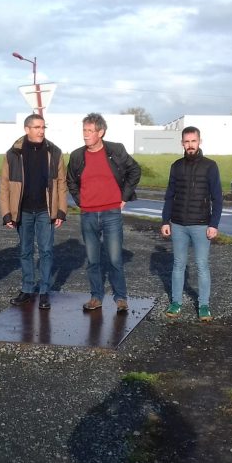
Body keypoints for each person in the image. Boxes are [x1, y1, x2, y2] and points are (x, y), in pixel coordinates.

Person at [66, 113, 141, 314]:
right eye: (84, 130)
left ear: (101, 132)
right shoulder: (76, 156)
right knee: (92, 259)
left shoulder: (116, 150)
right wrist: (80, 201)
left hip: (111, 213)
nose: (85, 135)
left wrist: (124, 197)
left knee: (115, 258)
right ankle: (96, 297)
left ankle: (121, 298)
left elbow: (135, 171)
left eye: (90, 131)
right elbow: (71, 180)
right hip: (88, 214)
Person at [0, 113, 68, 310]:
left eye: (43, 127)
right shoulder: (13, 153)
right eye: (37, 127)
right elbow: (4, 185)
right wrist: (7, 213)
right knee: (25, 251)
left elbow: (61, 183)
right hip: (23, 211)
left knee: (46, 251)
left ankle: (44, 291)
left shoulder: (54, 152)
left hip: (46, 211)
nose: (41, 131)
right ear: (27, 129)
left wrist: (61, 211)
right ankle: (27, 289)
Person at [160, 126, 223, 322]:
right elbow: (170, 195)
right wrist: (165, 220)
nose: (190, 145)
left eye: (193, 141)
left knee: (202, 265)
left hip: (201, 225)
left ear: (199, 141)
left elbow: (217, 198)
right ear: (182, 143)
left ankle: (204, 305)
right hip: (178, 224)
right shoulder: (176, 166)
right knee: (178, 264)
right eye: (186, 142)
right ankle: (176, 302)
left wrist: (214, 224)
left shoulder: (210, 166)